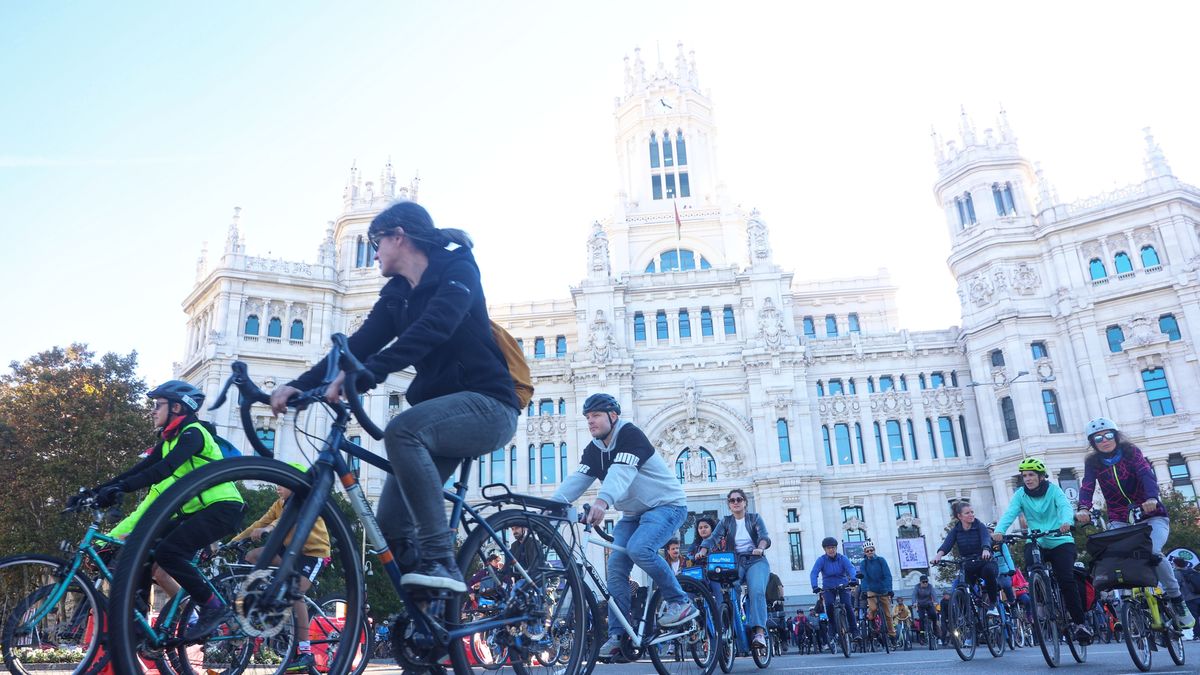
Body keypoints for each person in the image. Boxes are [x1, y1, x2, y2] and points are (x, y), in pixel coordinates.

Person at [271, 202, 520, 592]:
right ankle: (430, 619)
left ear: (398, 236)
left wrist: (369, 374)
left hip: (489, 406)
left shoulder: (458, 267)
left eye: (376, 242)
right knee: (391, 524)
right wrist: (300, 385)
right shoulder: (396, 293)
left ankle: (441, 560)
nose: (373, 253)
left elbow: (435, 326)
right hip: (439, 418)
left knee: (402, 430)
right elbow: (359, 343)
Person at [91, 380, 245, 640]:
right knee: (141, 548)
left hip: (222, 507)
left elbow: (164, 470)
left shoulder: (193, 433)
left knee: (168, 552)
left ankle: (213, 608)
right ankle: (138, 623)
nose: (153, 411)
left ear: (177, 407)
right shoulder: (170, 439)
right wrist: (97, 491)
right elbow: (139, 470)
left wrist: (122, 488)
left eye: (157, 405)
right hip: (195, 511)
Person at [552, 393, 696, 657]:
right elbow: (577, 480)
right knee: (616, 569)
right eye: (587, 417)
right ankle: (619, 635)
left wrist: (602, 502)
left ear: (613, 416)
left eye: (595, 415)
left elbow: (622, 471)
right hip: (632, 514)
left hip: (666, 506)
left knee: (639, 549)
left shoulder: (630, 435)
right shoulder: (595, 449)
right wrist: (549, 509)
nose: (590, 421)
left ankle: (680, 602)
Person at [1074, 417, 1194, 628]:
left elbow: (1146, 474)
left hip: (1151, 516)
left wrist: (1152, 498)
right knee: (1118, 558)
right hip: (1120, 518)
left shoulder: (1131, 452)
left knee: (1153, 553)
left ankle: (1177, 600)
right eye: (1097, 438)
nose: (1104, 440)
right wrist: (1083, 507)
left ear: (1116, 435)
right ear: (1092, 443)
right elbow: (1087, 486)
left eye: (1108, 435)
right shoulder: (1093, 463)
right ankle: (1133, 604)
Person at [231, 462, 330, 672]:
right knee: (253, 555)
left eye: (282, 484)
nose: (277, 487)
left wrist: (268, 528)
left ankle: (305, 652)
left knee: (295, 595)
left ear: (294, 484)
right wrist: (231, 542)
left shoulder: (304, 501)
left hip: (313, 553)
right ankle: (264, 591)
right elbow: (258, 523)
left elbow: (283, 521)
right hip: (291, 552)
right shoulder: (278, 504)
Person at [993, 457, 1092, 642]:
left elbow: (1064, 507)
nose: (1028, 479)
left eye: (1031, 475)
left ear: (1040, 476)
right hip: (1036, 540)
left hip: (1060, 540)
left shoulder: (1054, 490)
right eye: (1024, 476)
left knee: (1066, 580)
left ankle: (1080, 623)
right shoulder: (1020, 494)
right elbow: (1010, 513)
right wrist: (999, 531)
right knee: (1032, 567)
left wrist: (1066, 522)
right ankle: (1044, 598)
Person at [695, 488, 773, 649]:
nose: (736, 502)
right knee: (730, 593)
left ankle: (758, 632)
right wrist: (702, 550)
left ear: (745, 502)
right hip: (735, 562)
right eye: (732, 500)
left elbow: (764, 536)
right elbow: (713, 538)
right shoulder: (725, 522)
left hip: (755, 560)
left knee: (756, 590)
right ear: (729, 505)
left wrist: (760, 547)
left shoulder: (755, 518)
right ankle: (732, 627)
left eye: (739, 499)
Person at [932, 502, 999, 608]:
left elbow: (986, 538)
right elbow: (947, 544)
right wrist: (938, 556)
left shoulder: (980, 526)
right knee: (960, 586)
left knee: (989, 572)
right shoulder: (956, 530)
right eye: (967, 513)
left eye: (972, 512)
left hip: (984, 561)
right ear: (959, 516)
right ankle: (965, 616)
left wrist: (986, 549)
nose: (971, 514)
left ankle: (993, 604)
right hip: (968, 564)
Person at [810, 537, 858, 635]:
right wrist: (814, 586)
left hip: (843, 585)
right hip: (828, 587)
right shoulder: (821, 560)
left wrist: (853, 580)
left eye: (833, 548)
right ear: (825, 550)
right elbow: (814, 573)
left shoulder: (842, 558)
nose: (831, 550)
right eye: (828, 548)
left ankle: (855, 631)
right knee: (829, 606)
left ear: (836, 548)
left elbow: (851, 568)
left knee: (848, 606)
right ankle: (832, 628)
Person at [857, 540, 896, 640]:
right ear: (864, 552)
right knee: (873, 608)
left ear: (874, 550)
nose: (870, 552)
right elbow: (863, 578)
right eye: (867, 551)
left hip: (883, 589)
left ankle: (892, 635)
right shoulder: (863, 563)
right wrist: (865, 591)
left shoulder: (881, 560)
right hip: (871, 589)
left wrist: (889, 589)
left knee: (888, 614)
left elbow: (887, 575)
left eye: (871, 550)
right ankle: (872, 621)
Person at [1172, 558, 1200, 641]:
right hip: (1198, 595)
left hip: (1189, 598)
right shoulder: (1193, 570)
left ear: (1176, 564)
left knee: (1194, 617)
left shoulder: (1177, 573)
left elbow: (1175, 586)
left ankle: (1197, 635)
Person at [911, 574, 938, 645]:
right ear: (920, 582)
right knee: (921, 619)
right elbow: (914, 595)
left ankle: (935, 628)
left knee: (934, 615)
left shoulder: (930, 586)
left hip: (929, 604)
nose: (925, 583)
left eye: (926, 582)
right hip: (921, 605)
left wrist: (936, 602)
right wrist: (914, 603)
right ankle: (922, 634)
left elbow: (934, 594)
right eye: (923, 582)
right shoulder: (917, 587)